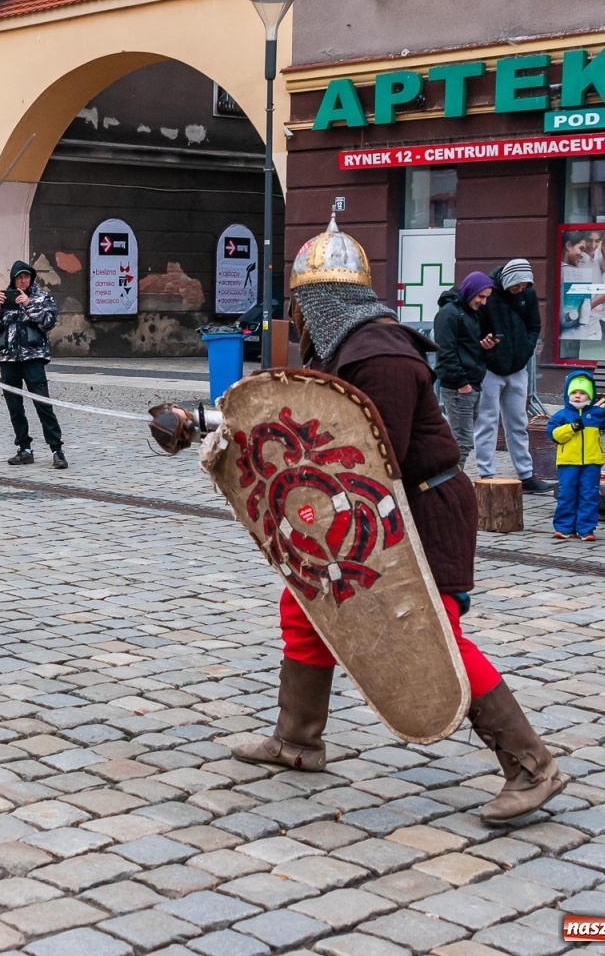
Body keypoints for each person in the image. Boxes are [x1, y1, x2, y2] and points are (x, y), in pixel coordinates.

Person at [235, 219, 567, 825]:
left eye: (301, 304)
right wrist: (214, 426)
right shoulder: (353, 346)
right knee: (305, 604)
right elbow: (313, 435)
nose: (297, 318)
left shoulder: (380, 355)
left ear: (322, 301)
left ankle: (531, 765)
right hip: (378, 507)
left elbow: (363, 460)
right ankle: (297, 740)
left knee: (431, 635)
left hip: (418, 509)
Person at [474, 258, 550, 493]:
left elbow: (534, 325)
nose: (519, 290)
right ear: (506, 280)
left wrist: (526, 349)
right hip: (490, 367)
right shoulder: (488, 294)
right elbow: (476, 324)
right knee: (486, 420)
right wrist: (483, 345)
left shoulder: (528, 294)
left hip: (518, 367)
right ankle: (486, 474)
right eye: (516, 286)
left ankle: (526, 475)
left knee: (518, 421)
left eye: (523, 286)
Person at [0, 260, 66, 469]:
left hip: (33, 359)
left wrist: (28, 304)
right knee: (15, 407)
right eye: (20, 277)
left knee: (43, 405)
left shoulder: (41, 297)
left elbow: (48, 322)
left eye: (27, 276)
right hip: (8, 360)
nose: (23, 280)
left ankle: (57, 450)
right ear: (13, 279)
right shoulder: (5, 300)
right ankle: (24, 449)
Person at [433, 271, 494, 470]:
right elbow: (446, 351)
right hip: (459, 386)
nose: (483, 302)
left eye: (486, 297)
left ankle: (449, 481)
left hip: (471, 383)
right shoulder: (449, 313)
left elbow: (465, 347)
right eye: (481, 296)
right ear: (470, 291)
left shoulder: (469, 313)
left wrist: (483, 347)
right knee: (463, 441)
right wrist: (462, 383)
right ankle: (450, 483)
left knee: (461, 439)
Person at [547, 372, 605, 541]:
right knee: (567, 494)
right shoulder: (562, 415)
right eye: (574, 393)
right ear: (567, 394)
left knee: (589, 495)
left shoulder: (597, 414)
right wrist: (571, 428)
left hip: (591, 462)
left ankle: (586, 529)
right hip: (568, 462)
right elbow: (553, 435)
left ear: (590, 395)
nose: (578, 396)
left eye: (582, 393)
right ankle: (564, 527)